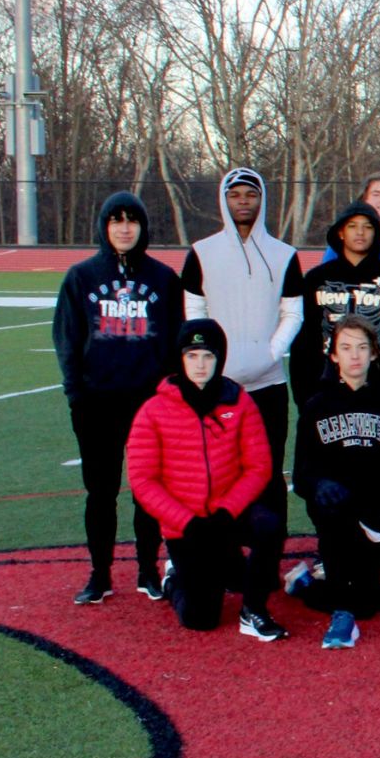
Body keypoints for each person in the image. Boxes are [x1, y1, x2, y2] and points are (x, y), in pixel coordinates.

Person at [57, 191, 182, 605]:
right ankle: (100, 573)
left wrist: (167, 394)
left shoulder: (163, 279)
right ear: (104, 227)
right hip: (97, 403)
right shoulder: (81, 277)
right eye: (116, 220)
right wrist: (77, 395)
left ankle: (147, 569)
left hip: (148, 403)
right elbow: (67, 340)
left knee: (147, 490)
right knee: (101, 491)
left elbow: (174, 341)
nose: (125, 228)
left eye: (132, 220)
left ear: (143, 227)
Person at [128, 319, 286, 640]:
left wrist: (227, 511)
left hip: (228, 516)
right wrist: (186, 522)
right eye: (192, 356)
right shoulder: (153, 410)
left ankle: (252, 609)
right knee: (201, 618)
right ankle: (175, 578)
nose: (200, 365)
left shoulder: (238, 401)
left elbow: (258, 466)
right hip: (187, 525)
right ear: (180, 359)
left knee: (268, 524)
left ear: (220, 358)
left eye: (208, 356)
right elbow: (143, 481)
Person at [181, 168, 302, 541]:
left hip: (269, 384)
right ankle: (227, 553)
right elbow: (194, 311)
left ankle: (270, 553)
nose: (244, 202)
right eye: (236, 195)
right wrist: (212, 362)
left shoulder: (284, 255)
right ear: (224, 200)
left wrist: (271, 353)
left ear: (261, 199)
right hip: (218, 387)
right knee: (220, 472)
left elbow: (293, 313)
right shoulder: (202, 253)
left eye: (251, 195)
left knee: (267, 470)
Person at [291, 316, 380, 649]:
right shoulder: (316, 406)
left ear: (375, 354)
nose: (355, 356)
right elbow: (301, 472)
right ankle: (340, 615)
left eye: (363, 347)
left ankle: (305, 584)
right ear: (333, 355)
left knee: (367, 602)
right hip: (334, 513)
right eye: (345, 348)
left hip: (376, 515)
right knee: (349, 598)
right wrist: (319, 485)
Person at [290, 201, 380, 406]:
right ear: (341, 233)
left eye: (367, 227)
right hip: (325, 391)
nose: (360, 232)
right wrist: (305, 395)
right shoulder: (317, 279)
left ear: (376, 234)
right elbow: (303, 342)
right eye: (352, 226)